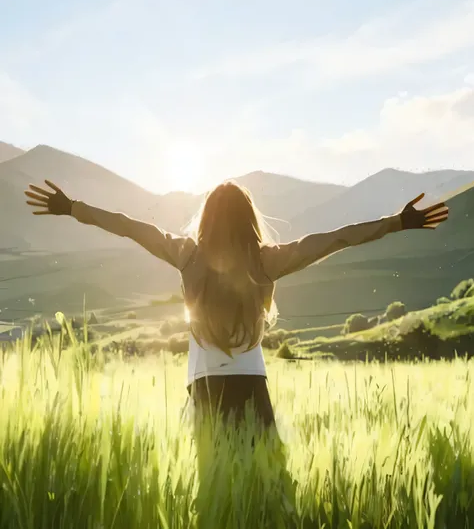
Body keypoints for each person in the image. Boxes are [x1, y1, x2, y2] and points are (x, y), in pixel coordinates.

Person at [24, 179, 449, 429]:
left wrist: (71, 207)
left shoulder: (186, 254)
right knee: (265, 488)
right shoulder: (267, 260)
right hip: (252, 388)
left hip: (203, 387)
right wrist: (397, 222)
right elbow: (335, 238)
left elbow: (130, 227)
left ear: (207, 217)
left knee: (211, 488)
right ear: (249, 217)